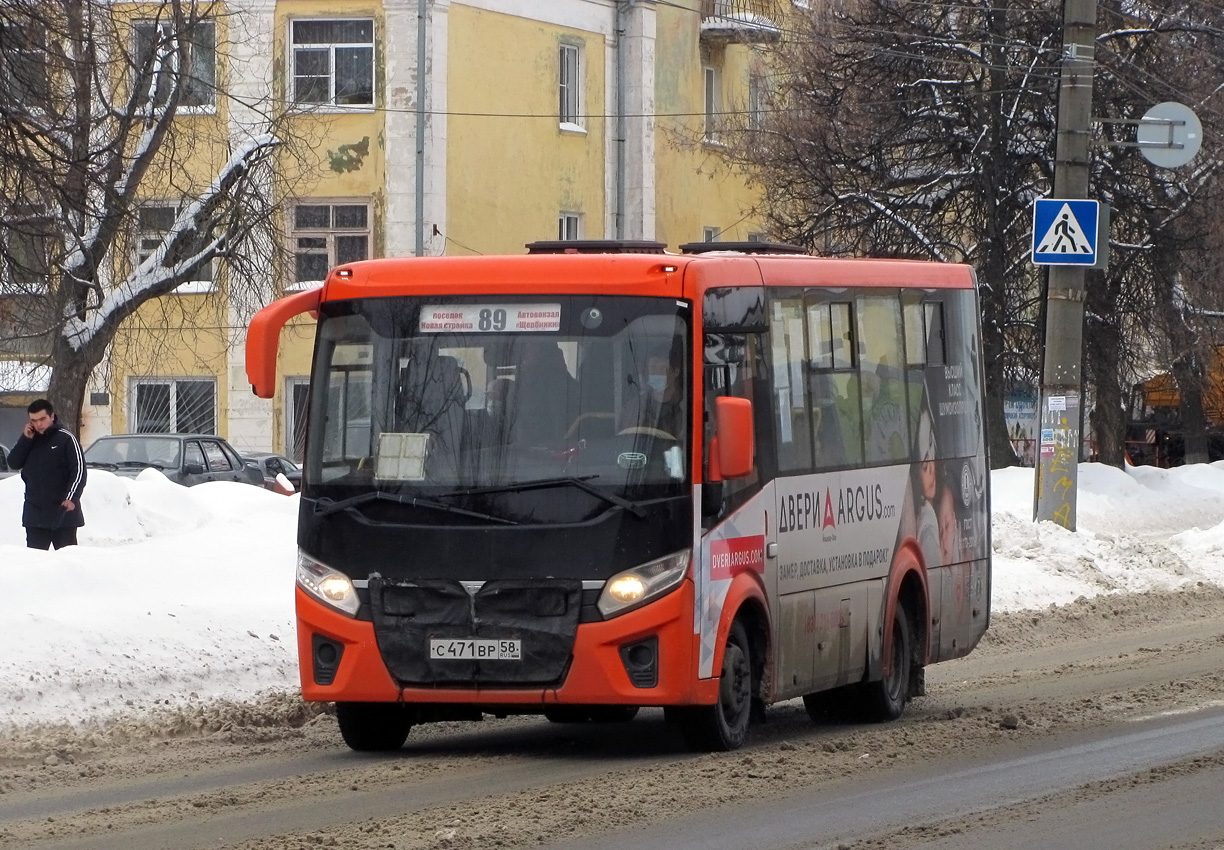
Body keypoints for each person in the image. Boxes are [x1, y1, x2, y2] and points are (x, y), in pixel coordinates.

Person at [6, 399, 87, 550]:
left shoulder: (67, 439)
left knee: (67, 563)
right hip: (35, 514)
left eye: (42, 419)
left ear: (52, 416)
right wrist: (25, 439)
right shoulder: (29, 440)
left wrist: (71, 498)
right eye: (34, 420)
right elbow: (14, 463)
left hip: (63, 513)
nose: (38, 424)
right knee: (35, 564)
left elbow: (79, 471)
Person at [621, 348, 684, 437]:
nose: (657, 373)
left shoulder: (688, 407)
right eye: (653, 368)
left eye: (663, 368)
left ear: (676, 372)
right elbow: (627, 438)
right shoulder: (635, 406)